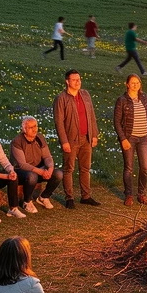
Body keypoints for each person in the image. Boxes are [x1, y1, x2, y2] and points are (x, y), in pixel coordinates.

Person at [53, 70, 100, 210]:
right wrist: (64, 141)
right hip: (71, 139)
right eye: (74, 80)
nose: (78, 82)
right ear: (67, 81)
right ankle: (69, 198)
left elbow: (91, 115)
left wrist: (94, 134)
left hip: (86, 137)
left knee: (85, 168)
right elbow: (59, 122)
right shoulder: (61, 98)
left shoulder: (85, 95)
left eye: (79, 79)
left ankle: (86, 196)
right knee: (69, 168)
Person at [114, 74, 147, 206]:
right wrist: (123, 138)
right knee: (129, 168)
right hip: (129, 138)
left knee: (145, 167)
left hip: (143, 138)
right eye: (132, 83)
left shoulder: (145, 98)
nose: (135, 85)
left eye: (137, 82)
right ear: (127, 84)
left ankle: (141, 194)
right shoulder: (122, 100)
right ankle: (129, 194)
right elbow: (117, 122)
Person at [10, 117, 63, 211]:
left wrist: (50, 168)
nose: (34, 129)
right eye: (31, 127)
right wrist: (41, 172)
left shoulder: (40, 137)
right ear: (24, 129)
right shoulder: (17, 141)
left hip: (39, 168)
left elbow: (47, 156)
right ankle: (27, 201)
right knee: (32, 176)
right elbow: (22, 164)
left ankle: (44, 197)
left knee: (58, 174)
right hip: (21, 171)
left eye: (35, 126)